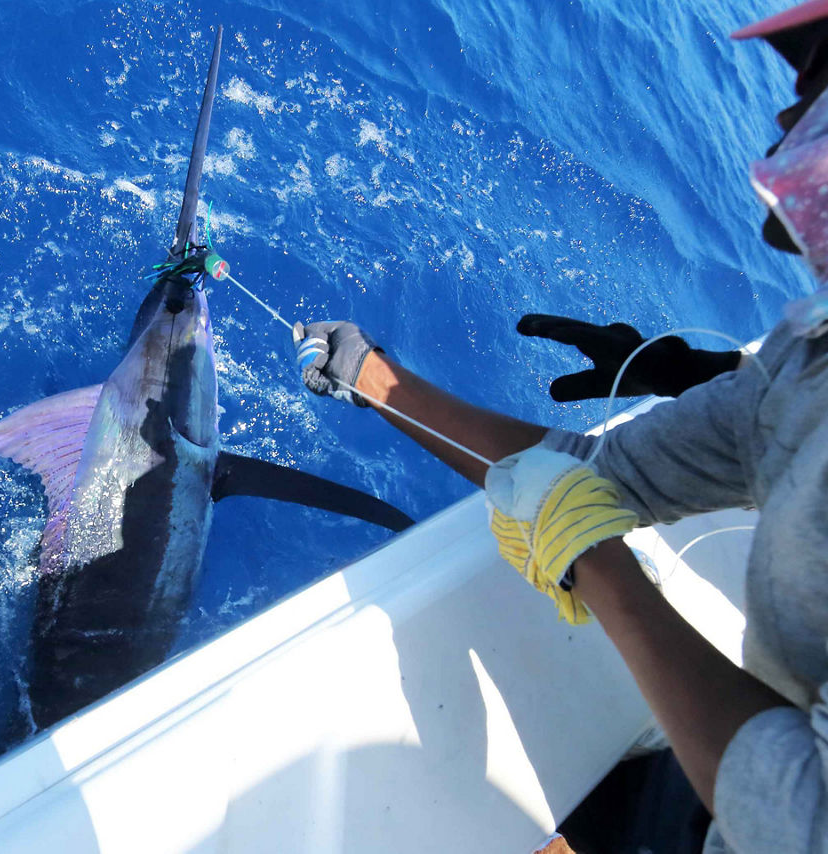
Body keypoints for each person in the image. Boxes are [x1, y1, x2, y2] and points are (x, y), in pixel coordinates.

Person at [292, 4, 828, 853]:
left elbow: (803, 822)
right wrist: (377, 378)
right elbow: (595, 476)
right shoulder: (806, 363)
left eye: (817, 81)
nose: (784, 111)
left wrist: (599, 565)